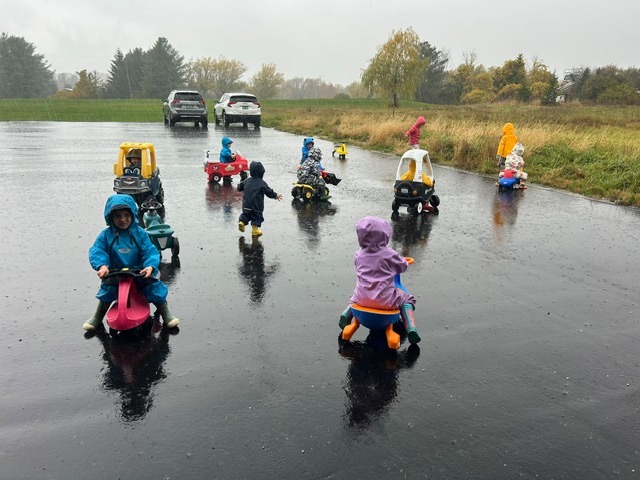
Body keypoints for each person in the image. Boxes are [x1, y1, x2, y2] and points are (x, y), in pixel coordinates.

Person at [84, 194, 180, 331]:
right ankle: (97, 317)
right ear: (111, 217)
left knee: (153, 287)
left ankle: (165, 313)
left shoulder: (140, 233)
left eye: (126, 215)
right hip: (115, 271)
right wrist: (102, 266)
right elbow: (97, 250)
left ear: (132, 215)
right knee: (108, 289)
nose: (123, 219)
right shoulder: (106, 235)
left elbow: (149, 251)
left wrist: (149, 266)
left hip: (139, 271)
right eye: (118, 216)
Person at [342, 216, 421, 344]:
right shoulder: (390, 254)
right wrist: (405, 262)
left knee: (356, 295)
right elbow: (402, 266)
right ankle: (411, 327)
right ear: (385, 235)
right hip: (385, 301)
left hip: (361, 301)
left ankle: (346, 315)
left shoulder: (358, 254)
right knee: (407, 299)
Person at [238, 161, 283, 237]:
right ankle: (255, 230)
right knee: (257, 217)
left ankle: (242, 222)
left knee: (245, 214)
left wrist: (242, 180)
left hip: (246, 205)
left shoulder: (247, 181)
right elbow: (268, 191)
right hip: (256, 206)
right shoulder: (262, 183)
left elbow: (239, 187)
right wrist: (276, 196)